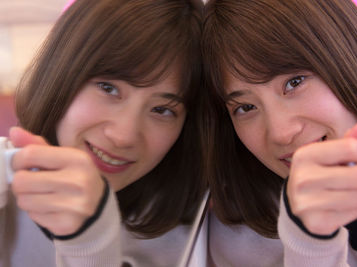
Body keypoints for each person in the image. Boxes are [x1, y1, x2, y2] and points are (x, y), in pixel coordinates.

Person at [1, 0, 206, 266]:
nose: (124, 136)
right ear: (62, 71)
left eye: (162, 110)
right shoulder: (8, 200)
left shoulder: (199, 235)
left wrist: (89, 243)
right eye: (108, 88)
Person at [202, 0, 357, 266]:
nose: (281, 133)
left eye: (294, 82)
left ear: (348, 59)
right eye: (245, 107)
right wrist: (309, 242)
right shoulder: (236, 239)